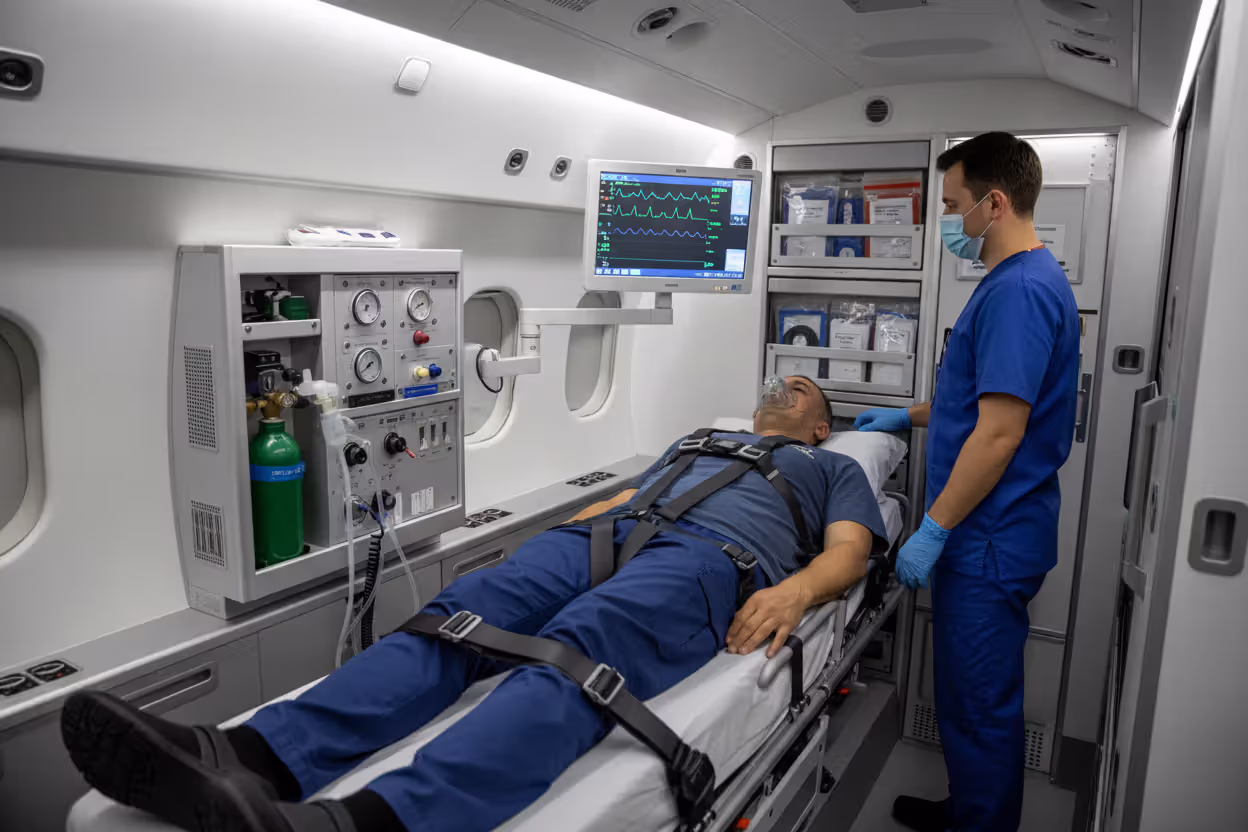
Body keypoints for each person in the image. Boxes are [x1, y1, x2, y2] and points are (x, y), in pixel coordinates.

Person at [61, 375, 888, 832]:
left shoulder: (831, 469)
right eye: (778, 381)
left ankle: (364, 827)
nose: (787, 384)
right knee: (459, 615)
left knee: (579, 657)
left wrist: (792, 591)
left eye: (805, 387)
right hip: (607, 536)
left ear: (820, 428)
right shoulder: (697, 438)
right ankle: (246, 757)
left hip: (711, 560)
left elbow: (850, 551)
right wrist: (563, 540)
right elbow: (619, 499)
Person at [855, 132, 1080, 832]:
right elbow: (976, 404)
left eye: (952, 205)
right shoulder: (1017, 283)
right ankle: (969, 811)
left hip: (987, 541)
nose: (948, 221)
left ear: (995, 202)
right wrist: (906, 413)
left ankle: (980, 824)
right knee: (965, 697)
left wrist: (933, 528)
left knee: (980, 706)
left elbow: (1001, 433)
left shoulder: (1018, 292)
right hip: (990, 536)